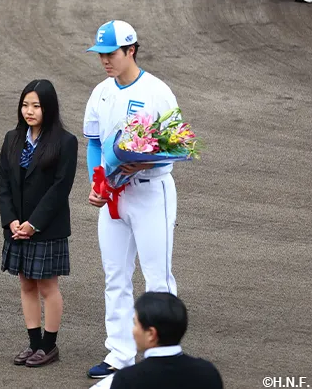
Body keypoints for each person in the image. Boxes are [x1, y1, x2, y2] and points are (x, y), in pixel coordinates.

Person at [82, 20, 180, 379]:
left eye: (111, 54)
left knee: (157, 278)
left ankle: (163, 355)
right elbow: (94, 143)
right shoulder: (100, 92)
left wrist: (146, 161)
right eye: (101, 54)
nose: (105, 60)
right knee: (115, 276)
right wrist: (97, 181)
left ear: (131, 50)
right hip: (114, 196)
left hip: (151, 192)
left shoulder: (157, 91)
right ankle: (120, 354)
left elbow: (176, 145)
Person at [0, 80, 78, 368]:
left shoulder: (65, 142)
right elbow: (4, 183)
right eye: (25, 105)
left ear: (49, 108)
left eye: (36, 106)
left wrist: (33, 223)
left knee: (47, 286)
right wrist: (11, 220)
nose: (29, 111)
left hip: (46, 227)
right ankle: (33, 343)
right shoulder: (12, 138)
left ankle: (49, 345)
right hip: (17, 226)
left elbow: (60, 188)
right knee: (26, 284)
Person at [105, 292, 224, 388]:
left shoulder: (127, 379)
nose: (133, 330)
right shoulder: (208, 373)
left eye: (135, 324)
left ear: (151, 334)